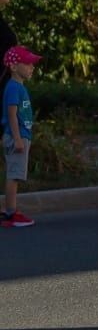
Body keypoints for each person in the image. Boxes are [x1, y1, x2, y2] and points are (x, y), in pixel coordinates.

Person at [2, 45, 40, 228]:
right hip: (16, 137)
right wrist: (17, 138)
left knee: (16, 174)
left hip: (22, 136)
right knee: (14, 175)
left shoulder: (19, 87)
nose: (32, 67)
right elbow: (11, 114)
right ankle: (11, 213)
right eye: (27, 64)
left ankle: (10, 211)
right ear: (14, 67)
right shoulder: (13, 88)